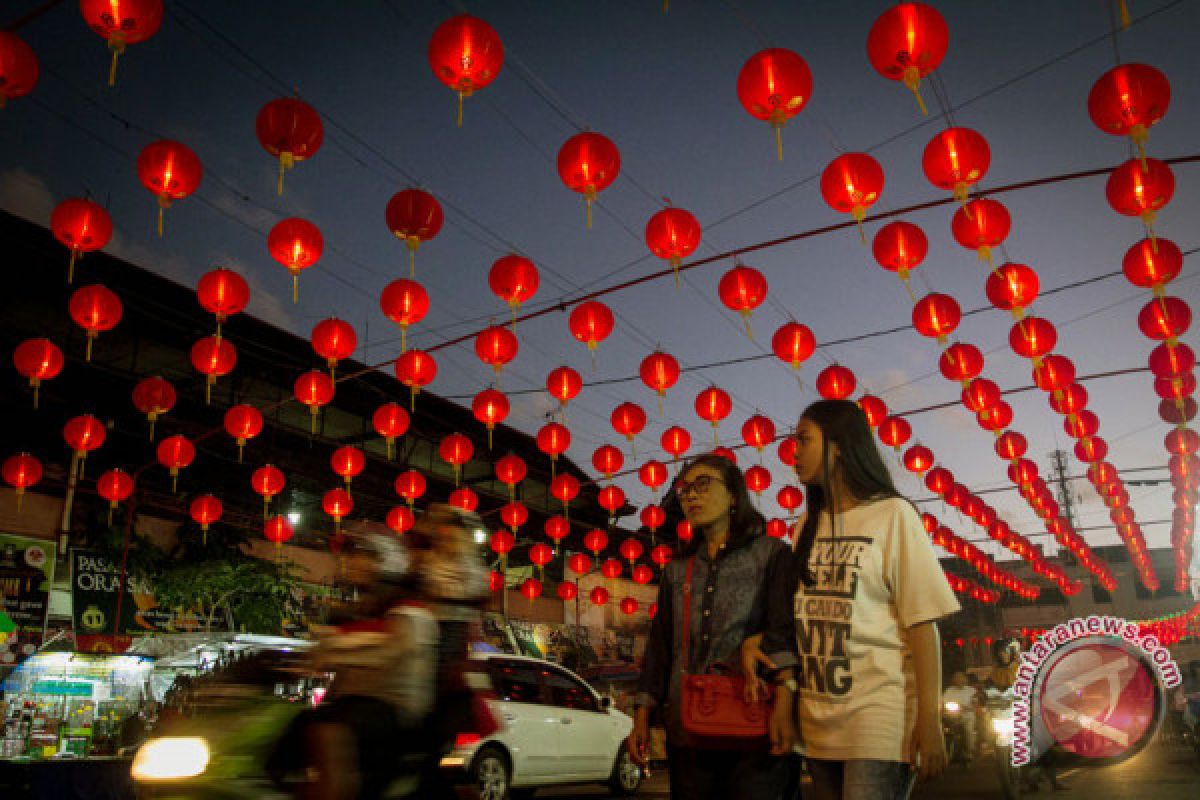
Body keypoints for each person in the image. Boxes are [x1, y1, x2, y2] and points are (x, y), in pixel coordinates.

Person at [743, 399, 961, 800]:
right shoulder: (807, 523)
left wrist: (929, 720)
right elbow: (796, 624)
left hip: (880, 715)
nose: (794, 451)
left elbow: (922, 623)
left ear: (839, 445)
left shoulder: (893, 515)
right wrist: (784, 697)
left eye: (804, 440)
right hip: (818, 720)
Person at [631, 453, 800, 800]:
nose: (691, 495)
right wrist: (642, 714)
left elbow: (784, 631)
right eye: (685, 489)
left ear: (734, 495)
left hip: (755, 722)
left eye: (703, 485)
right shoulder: (678, 570)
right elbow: (661, 646)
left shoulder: (771, 554)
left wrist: (785, 702)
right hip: (687, 731)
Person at [302, 530, 438, 800]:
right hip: (357, 709)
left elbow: (387, 653)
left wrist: (332, 650)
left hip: (392, 714)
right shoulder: (356, 613)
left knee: (329, 733)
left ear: (387, 563)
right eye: (349, 556)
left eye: (361, 556)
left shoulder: (409, 612)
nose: (350, 563)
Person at [942, 671, 978, 760]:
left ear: (965, 679)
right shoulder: (949, 690)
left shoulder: (971, 690)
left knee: (968, 731)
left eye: (961, 678)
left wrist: (972, 705)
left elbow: (975, 702)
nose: (959, 680)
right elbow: (943, 702)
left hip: (967, 716)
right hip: (952, 716)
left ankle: (969, 752)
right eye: (956, 678)